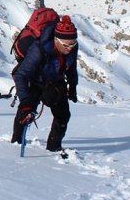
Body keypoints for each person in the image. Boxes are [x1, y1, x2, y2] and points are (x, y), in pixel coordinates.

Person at [11, 14, 79, 152]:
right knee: (25, 112)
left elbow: (72, 68)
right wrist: (25, 101)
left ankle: (54, 147)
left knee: (63, 115)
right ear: (56, 40)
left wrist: (73, 86)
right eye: (66, 45)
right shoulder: (39, 48)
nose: (70, 48)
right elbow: (21, 74)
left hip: (55, 81)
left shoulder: (72, 47)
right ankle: (16, 141)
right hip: (34, 81)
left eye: (73, 44)